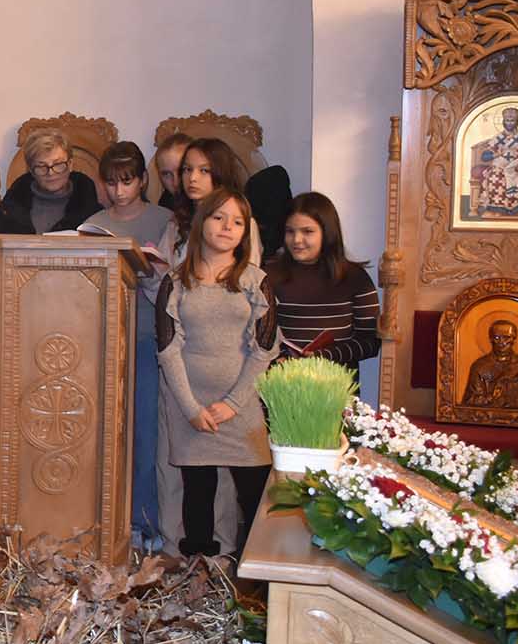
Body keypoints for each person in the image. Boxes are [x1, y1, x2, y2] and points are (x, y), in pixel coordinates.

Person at [148, 137, 258, 554]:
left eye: (203, 170)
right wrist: (153, 277)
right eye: (186, 170)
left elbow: (246, 308)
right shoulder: (174, 224)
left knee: (229, 476)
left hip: (231, 378)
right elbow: (166, 314)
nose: (192, 178)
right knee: (181, 466)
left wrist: (232, 399)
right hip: (183, 372)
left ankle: (225, 550)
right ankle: (179, 547)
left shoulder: (241, 232)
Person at [82, 142, 172, 550]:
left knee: (145, 435)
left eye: (127, 181)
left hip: (148, 337)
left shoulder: (163, 219)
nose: (119, 191)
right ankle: (105, 521)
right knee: (103, 436)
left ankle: (145, 522)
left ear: (142, 180)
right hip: (102, 339)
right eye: (111, 183)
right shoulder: (93, 224)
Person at [266, 192, 381, 384]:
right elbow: (258, 337)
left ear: (327, 233)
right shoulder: (268, 275)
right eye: (290, 231)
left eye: (307, 231)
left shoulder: (355, 278)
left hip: (336, 388)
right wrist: (278, 358)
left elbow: (371, 343)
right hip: (282, 385)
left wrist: (325, 356)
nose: (296, 240)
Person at [0, 129, 100, 233]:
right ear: (31, 170)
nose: (50, 173)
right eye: (41, 166)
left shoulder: (89, 207)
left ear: (70, 165)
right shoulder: (12, 207)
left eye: (58, 164)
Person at [462, 318, 518, 409]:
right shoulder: (479, 367)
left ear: (514, 339)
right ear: (491, 339)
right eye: (497, 338)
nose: (502, 342)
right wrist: (490, 397)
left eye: (506, 337)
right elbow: (469, 401)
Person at [152, 133, 192, 212]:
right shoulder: (166, 203)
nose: (176, 183)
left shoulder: (215, 204)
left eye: (181, 171)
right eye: (167, 174)